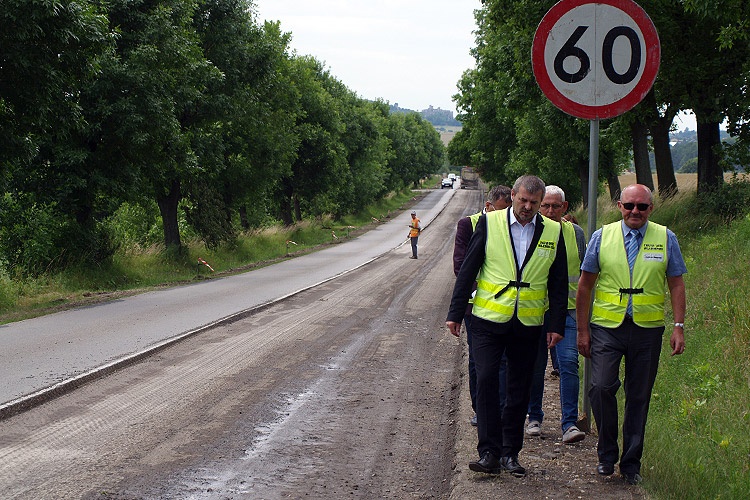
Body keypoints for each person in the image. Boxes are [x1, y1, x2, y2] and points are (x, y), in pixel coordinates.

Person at [446, 175, 568, 477]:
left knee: (519, 388)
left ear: (540, 203)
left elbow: (558, 281)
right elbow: (468, 269)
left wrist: (556, 325)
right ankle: (488, 452)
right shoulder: (490, 223)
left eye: (534, 203)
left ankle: (510, 453)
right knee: (487, 379)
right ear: (513, 195)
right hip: (488, 320)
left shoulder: (553, 231)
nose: (527, 207)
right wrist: (456, 312)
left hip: (528, 322)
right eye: (523, 200)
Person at [576, 184, 687, 485]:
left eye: (641, 206)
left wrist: (678, 326)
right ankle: (606, 454)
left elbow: (676, 283)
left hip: (647, 330)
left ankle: (631, 464)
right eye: (629, 206)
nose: (635, 212)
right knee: (600, 387)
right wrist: (582, 330)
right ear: (619, 206)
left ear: (651, 208)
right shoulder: (602, 236)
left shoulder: (666, 237)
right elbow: (585, 285)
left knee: (639, 396)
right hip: (607, 328)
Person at [525, 186, 586, 444]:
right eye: (546, 206)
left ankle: (569, 423)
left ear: (565, 207)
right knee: (535, 365)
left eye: (555, 206)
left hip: (569, 311)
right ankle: (534, 417)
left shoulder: (576, 233)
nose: (550, 211)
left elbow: (585, 274)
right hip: (536, 310)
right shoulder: (530, 230)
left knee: (569, 364)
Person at [452, 185, 512, 426]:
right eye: (502, 210)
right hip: (474, 306)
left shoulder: (512, 227)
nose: (506, 215)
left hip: (506, 307)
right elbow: (461, 266)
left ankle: (500, 408)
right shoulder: (469, 224)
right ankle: (480, 408)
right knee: (478, 360)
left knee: (504, 360)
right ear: (489, 206)